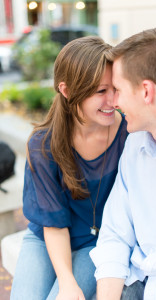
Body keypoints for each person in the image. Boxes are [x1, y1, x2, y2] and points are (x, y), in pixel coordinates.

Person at [10, 36, 129, 300]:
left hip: (96, 243)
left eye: (116, 89)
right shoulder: (44, 145)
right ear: (66, 90)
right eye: (101, 91)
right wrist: (66, 281)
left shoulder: (128, 134)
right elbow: (53, 225)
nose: (113, 101)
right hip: (47, 238)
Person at [90, 28, 156, 300]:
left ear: (146, 91)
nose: (113, 102)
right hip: (134, 282)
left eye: (117, 90)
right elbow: (115, 234)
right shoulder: (135, 143)